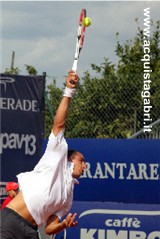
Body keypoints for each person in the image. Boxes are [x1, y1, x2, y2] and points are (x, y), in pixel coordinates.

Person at [1, 70, 87, 239]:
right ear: (69, 159)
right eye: (81, 160)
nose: (84, 165)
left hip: (31, 231)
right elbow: (59, 124)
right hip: (10, 221)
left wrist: (62, 225)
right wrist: (69, 91)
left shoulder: (67, 198)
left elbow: (49, 228)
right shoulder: (57, 157)